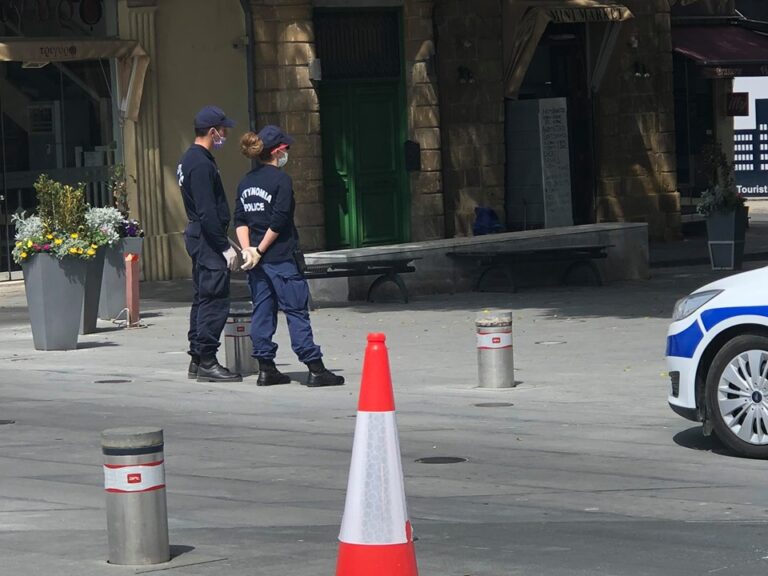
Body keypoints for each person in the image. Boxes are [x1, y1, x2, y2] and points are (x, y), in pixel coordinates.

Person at [233, 126, 344, 387]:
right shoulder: (281, 180)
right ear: (278, 151)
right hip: (280, 258)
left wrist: (248, 250)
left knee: (262, 311)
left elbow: (240, 220)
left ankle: (266, 368)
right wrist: (260, 250)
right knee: (296, 311)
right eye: (287, 149)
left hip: (256, 263)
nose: (287, 153)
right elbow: (279, 221)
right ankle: (315, 367)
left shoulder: (245, 182)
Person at [178, 105, 242, 383]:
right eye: (223, 130)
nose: (225, 134)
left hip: (200, 235)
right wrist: (223, 246)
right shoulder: (201, 163)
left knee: (202, 297)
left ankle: (197, 358)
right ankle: (207, 360)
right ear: (212, 131)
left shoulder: (189, 159)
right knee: (214, 300)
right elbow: (207, 210)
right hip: (206, 239)